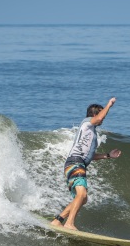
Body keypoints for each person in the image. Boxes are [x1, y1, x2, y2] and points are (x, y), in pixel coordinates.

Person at [51, 97, 121, 230]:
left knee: (83, 198)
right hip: (75, 162)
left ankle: (58, 220)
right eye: (100, 113)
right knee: (81, 194)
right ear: (94, 114)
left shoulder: (91, 132)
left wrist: (107, 155)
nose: (103, 118)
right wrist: (109, 105)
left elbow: (90, 156)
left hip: (77, 163)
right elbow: (99, 118)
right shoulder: (87, 123)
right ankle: (69, 223)